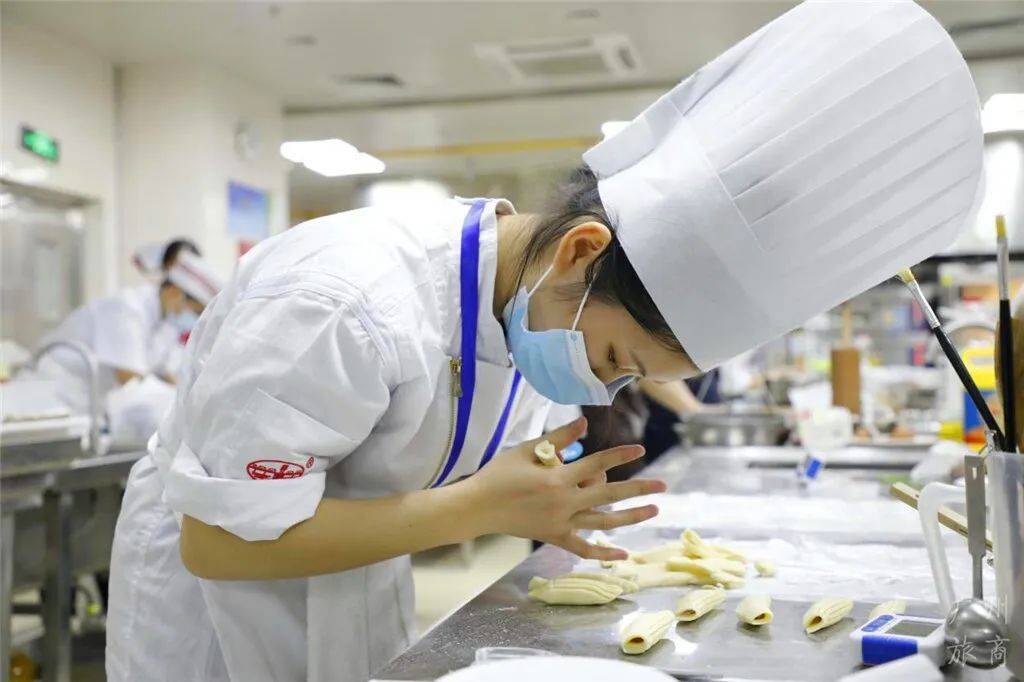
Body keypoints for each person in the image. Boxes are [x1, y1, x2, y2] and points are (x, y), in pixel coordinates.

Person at [106, 2, 984, 681]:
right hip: (213, 620)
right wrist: (485, 508)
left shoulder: (526, 307)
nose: (601, 389)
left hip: (350, 589)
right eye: (614, 363)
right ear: (580, 251)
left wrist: (534, 496)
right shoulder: (341, 302)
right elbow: (216, 543)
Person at [34, 252, 223, 413]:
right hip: (52, 396)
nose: (193, 319)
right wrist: (180, 405)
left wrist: (194, 401)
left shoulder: (164, 324)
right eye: (195, 311)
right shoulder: (127, 309)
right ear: (173, 291)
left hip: (87, 404)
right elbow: (129, 379)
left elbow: (164, 374)